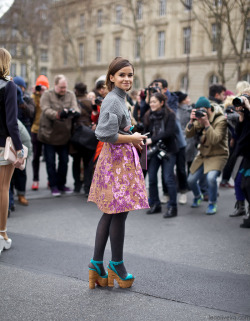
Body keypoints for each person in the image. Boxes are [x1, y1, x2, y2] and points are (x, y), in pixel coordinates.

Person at [87, 57, 148, 289]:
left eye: (130, 75)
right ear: (111, 77)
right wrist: (131, 138)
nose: (126, 79)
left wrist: (132, 134)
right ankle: (116, 265)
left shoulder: (118, 98)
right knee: (118, 213)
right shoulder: (113, 100)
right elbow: (103, 133)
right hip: (116, 163)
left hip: (117, 162)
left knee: (112, 213)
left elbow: (117, 128)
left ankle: (96, 265)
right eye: (121, 75)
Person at [0, 48, 25, 254]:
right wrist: (19, 149)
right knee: (3, 189)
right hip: (2, 145)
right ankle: (2, 234)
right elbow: (11, 122)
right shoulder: (9, 86)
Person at [38, 74, 80, 196]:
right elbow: (45, 109)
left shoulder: (70, 94)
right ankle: (53, 185)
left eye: (65, 87)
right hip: (48, 134)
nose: (63, 90)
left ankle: (62, 184)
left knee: (64, 161)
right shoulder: (47, 95)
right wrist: (58, 114)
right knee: (50, 162)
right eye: (61, 87)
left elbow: (75, 108)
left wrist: (73, 112)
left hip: (64, 135)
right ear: (55, 85)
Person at [186, 96, 229, 215]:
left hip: (218, 154)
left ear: (209, 109)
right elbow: (188, 134)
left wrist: (206, 123)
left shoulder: (221, 120)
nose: (201, 113)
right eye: (198, 110)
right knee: (190, 180)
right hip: (203, 154)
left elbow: (215, 139)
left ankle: (212, 203)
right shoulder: (200, 118)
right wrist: (191, 121)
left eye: (202, 110)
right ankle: (197, 196)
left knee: (211, 178)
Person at [144, 92, 178, 218]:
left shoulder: (170, 115)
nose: (151, 104)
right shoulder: (148, 115)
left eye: (154, 102)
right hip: (154, 150)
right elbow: (146, 132)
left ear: (162, 103)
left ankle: (172, 207)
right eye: (150, 102)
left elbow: (169, 132)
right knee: (152, 178)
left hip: (168, 150)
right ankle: (155, 204)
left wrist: (152, 140)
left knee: (168, 179)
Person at [71, 82, 95, 194]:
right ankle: (87, 186)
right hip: (89, 135)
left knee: (76, 161)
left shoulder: (73, 102)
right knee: (87, 162)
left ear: (76, 90)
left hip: (76, 134)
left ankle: (77, 185)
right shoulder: (90, 102)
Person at [232, 89, 250, 228]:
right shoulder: (245, 114)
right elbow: (238, 134)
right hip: (246, 154)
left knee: (246, 184)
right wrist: (241, 117)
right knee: (241, 183)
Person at [30, 75, 50, 191]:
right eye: (40, 87)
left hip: (47, 130)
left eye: (44, 88)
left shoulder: (49, 96)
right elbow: (30, 109)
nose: (42, 90)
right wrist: (35, 94)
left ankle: (49, 179)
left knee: (49, 157)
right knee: (36, 157)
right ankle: (35, 180)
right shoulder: (34, 97)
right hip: (35, 130)